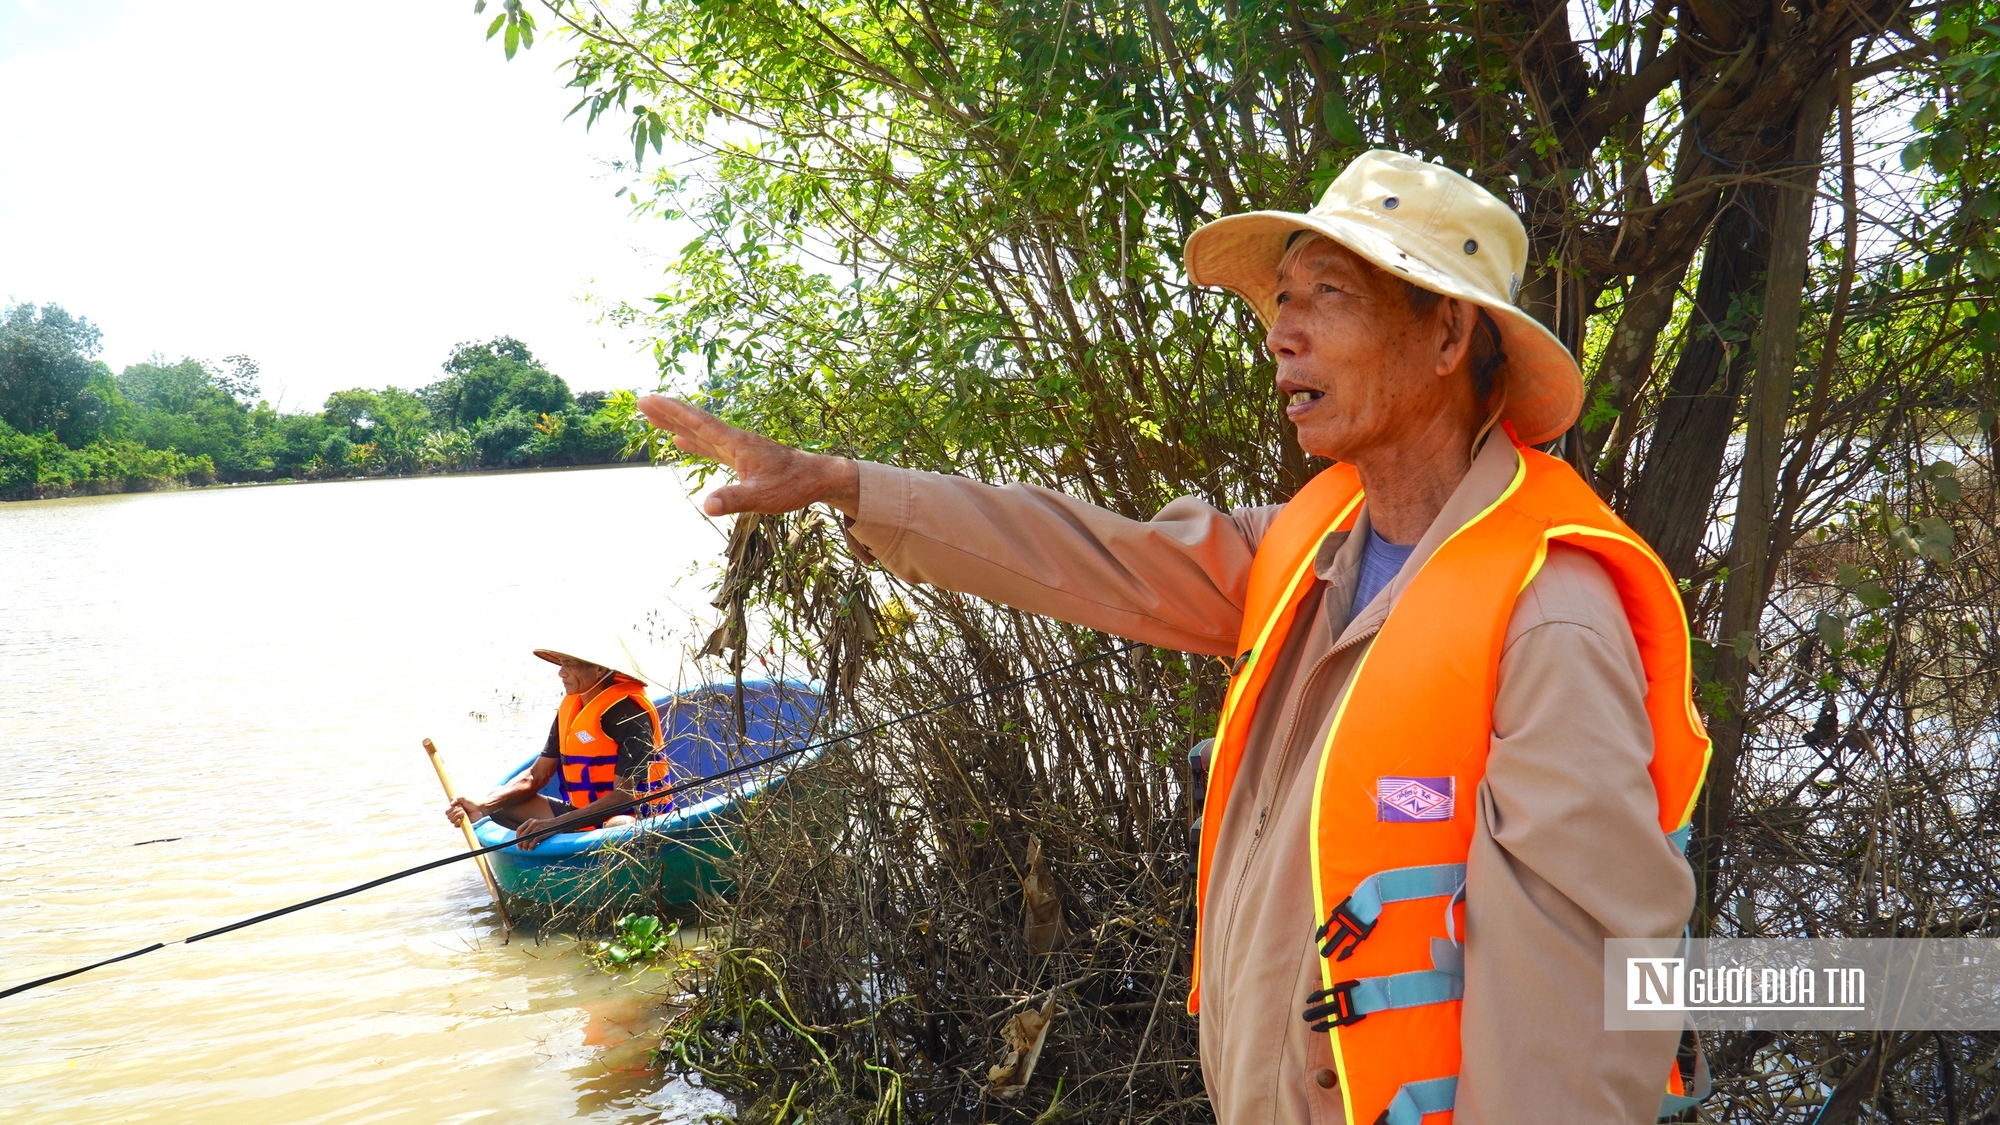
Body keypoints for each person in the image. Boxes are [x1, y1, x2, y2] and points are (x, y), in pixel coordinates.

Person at [635, 150, 1709, 1124]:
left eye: (1325, 298)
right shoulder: (1315, 542)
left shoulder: (1549, 609)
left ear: (1443, 333)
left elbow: (1579, 1002)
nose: (1279, 332)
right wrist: (851, 486)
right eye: (1279, 302)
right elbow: (1090, 555)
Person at [445, 640, 669, 851]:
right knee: (503, 806)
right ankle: (558, 855)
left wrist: (555, 824)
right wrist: (483, 805)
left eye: (570, 665)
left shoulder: (630, 713)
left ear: (599, 670)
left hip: (638, 815)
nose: (561, 673)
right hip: (582, 814)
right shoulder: (572, 706)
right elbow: (536, 775)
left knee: (618, 827)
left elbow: (623, 796)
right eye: (561, 664)